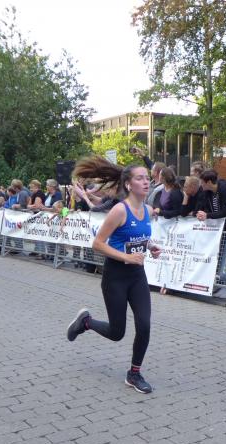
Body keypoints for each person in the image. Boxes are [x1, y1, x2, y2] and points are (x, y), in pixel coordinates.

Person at [66, 156, 162, 394]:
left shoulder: (148, 210)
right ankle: (85, 322)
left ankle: (134, 373)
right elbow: (98, 244)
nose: (146, 182)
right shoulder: (119, 210)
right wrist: (126, 256)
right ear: (129, 184)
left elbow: (139, 236)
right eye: (140, 178)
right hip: (115, 277)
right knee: (117, 333)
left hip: (137, 276)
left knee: (144, 325)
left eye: (147, 178)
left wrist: (150, 246)